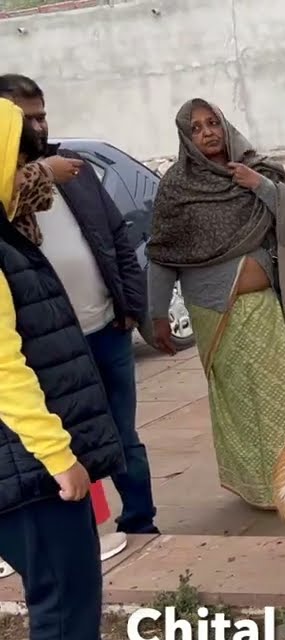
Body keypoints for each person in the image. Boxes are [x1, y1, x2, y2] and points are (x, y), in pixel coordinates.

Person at [1, 97, 178, 640]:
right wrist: (58, 456)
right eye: (16, 154)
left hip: (28, 460)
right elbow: (3, 368)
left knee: (73, 592)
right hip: (27, 468)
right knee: (61, 599)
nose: (29, 166)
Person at [147, 98, 285, 509]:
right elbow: (162, 255)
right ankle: (266, 486)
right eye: (196, 128)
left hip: (275, 304)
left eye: (212, 122)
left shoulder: (259, 170)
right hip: (220, 312)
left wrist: (262, 187)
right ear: (186, 137)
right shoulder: (177, 187)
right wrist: (158, 313)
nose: (207, 133)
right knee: (243, 400)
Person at [0, 74, 159, 537]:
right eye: (24, 119)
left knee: (123, 436)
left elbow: (116, 238)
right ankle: (90, 534)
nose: (37, 126)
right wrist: (41, 171)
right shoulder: (20, 184)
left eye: (41, 115)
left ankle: (141, 522)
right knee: (69, 444)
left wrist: (131, 307)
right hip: (44, 349)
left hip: (105, 329)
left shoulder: (73, 168)